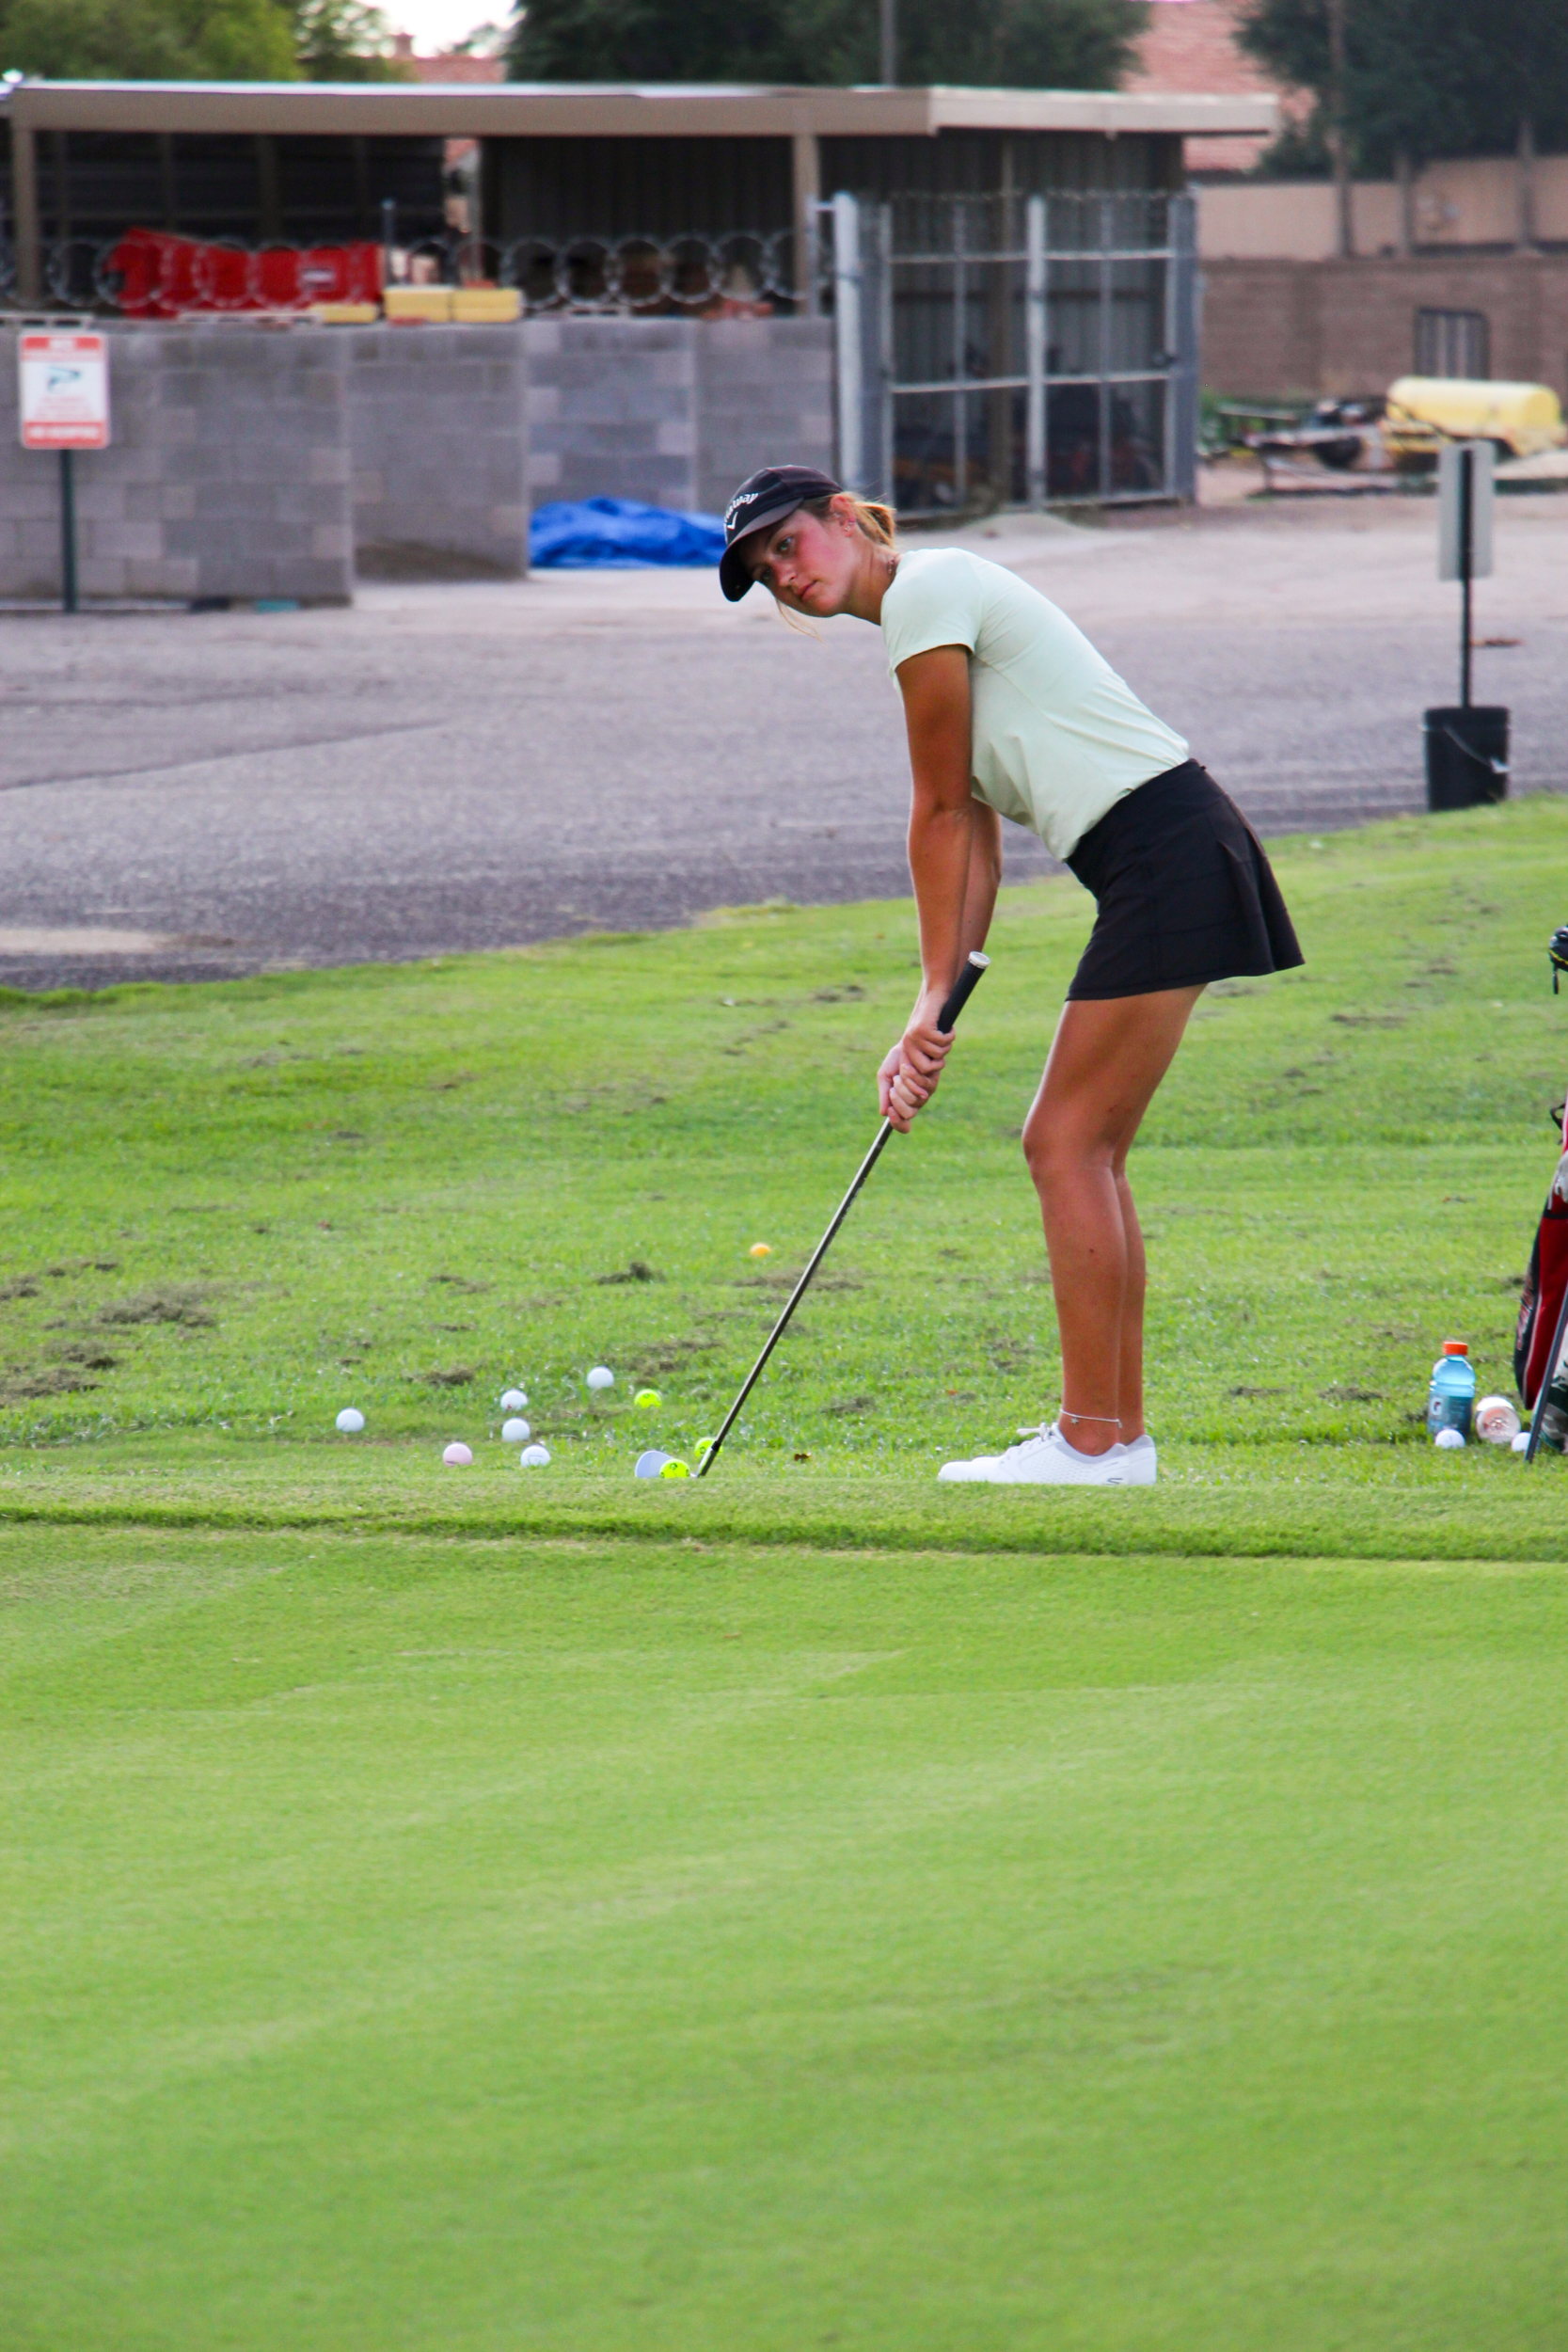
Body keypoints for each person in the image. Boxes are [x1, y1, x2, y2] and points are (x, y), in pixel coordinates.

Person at [719, 465, 1303, 1486]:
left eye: (787, 544)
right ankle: (1115, 1439)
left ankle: (1093, 1441)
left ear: (844, 519)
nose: (783, 576)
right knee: (1088, 1150)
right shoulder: (924, 619)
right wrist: (934, 1006)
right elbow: (973, 845)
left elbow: (938, 811)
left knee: (1063, 1141)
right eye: (765, 572)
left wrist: (918, 1005)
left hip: (1162, 850)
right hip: (1162, 854)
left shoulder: (927, 592)